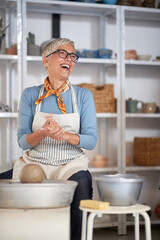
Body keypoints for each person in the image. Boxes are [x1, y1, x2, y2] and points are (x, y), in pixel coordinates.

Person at [0, 38, 97, 240]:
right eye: (63, 53)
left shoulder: (83, 96)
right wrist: (42, 133)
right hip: (34, 163)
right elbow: (22, 141)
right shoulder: (30, 95)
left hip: (70, 164)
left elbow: (91, 140)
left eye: (72, 56)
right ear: (46, 60)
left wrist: (66, 135)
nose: (69, 59)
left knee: (83, 180)